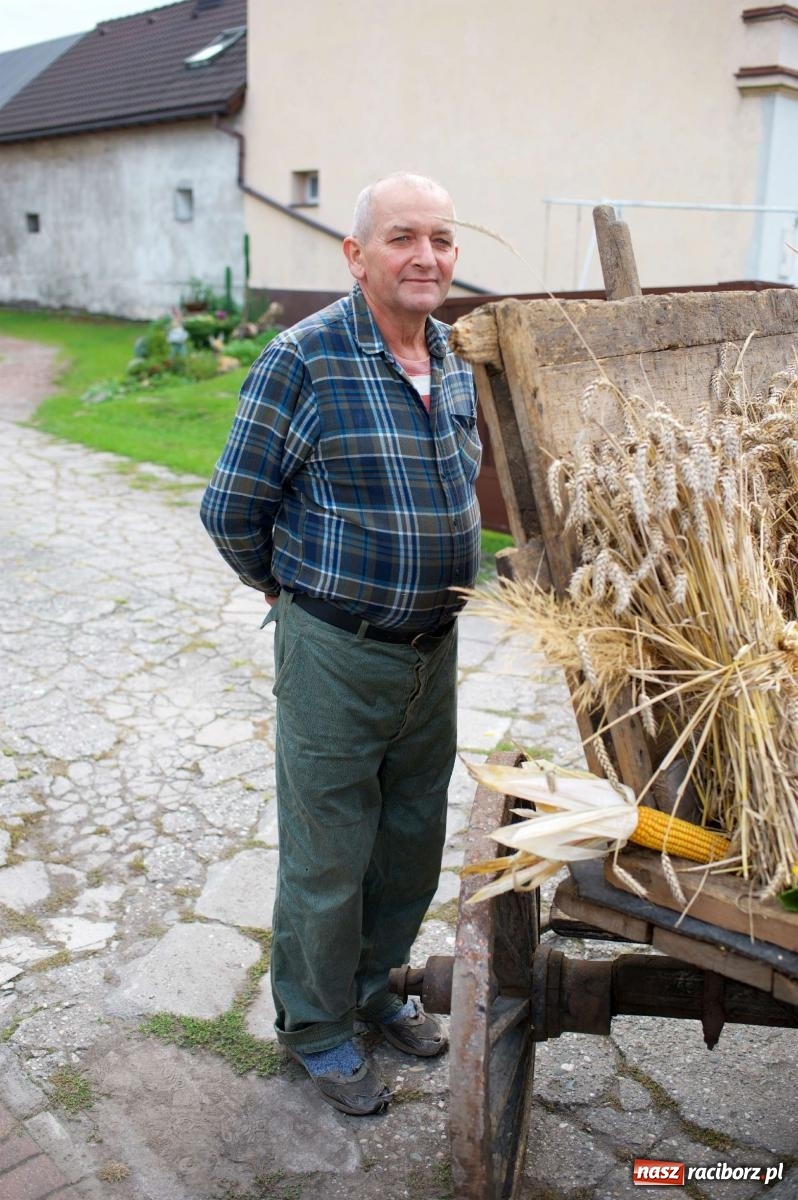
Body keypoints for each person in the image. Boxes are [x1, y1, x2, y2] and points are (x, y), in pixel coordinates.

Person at [200, 172, 481, 1116]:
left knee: (408, 843)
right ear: (356, 255)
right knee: (327, 855)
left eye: (442, 239)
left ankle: (372, 992)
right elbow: (232, 509)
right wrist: (294, 593)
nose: (428, 257)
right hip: (336, 651)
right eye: (404, 237)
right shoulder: (304, 357)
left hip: (431, 652)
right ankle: (317, 1030)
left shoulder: (454, 353)